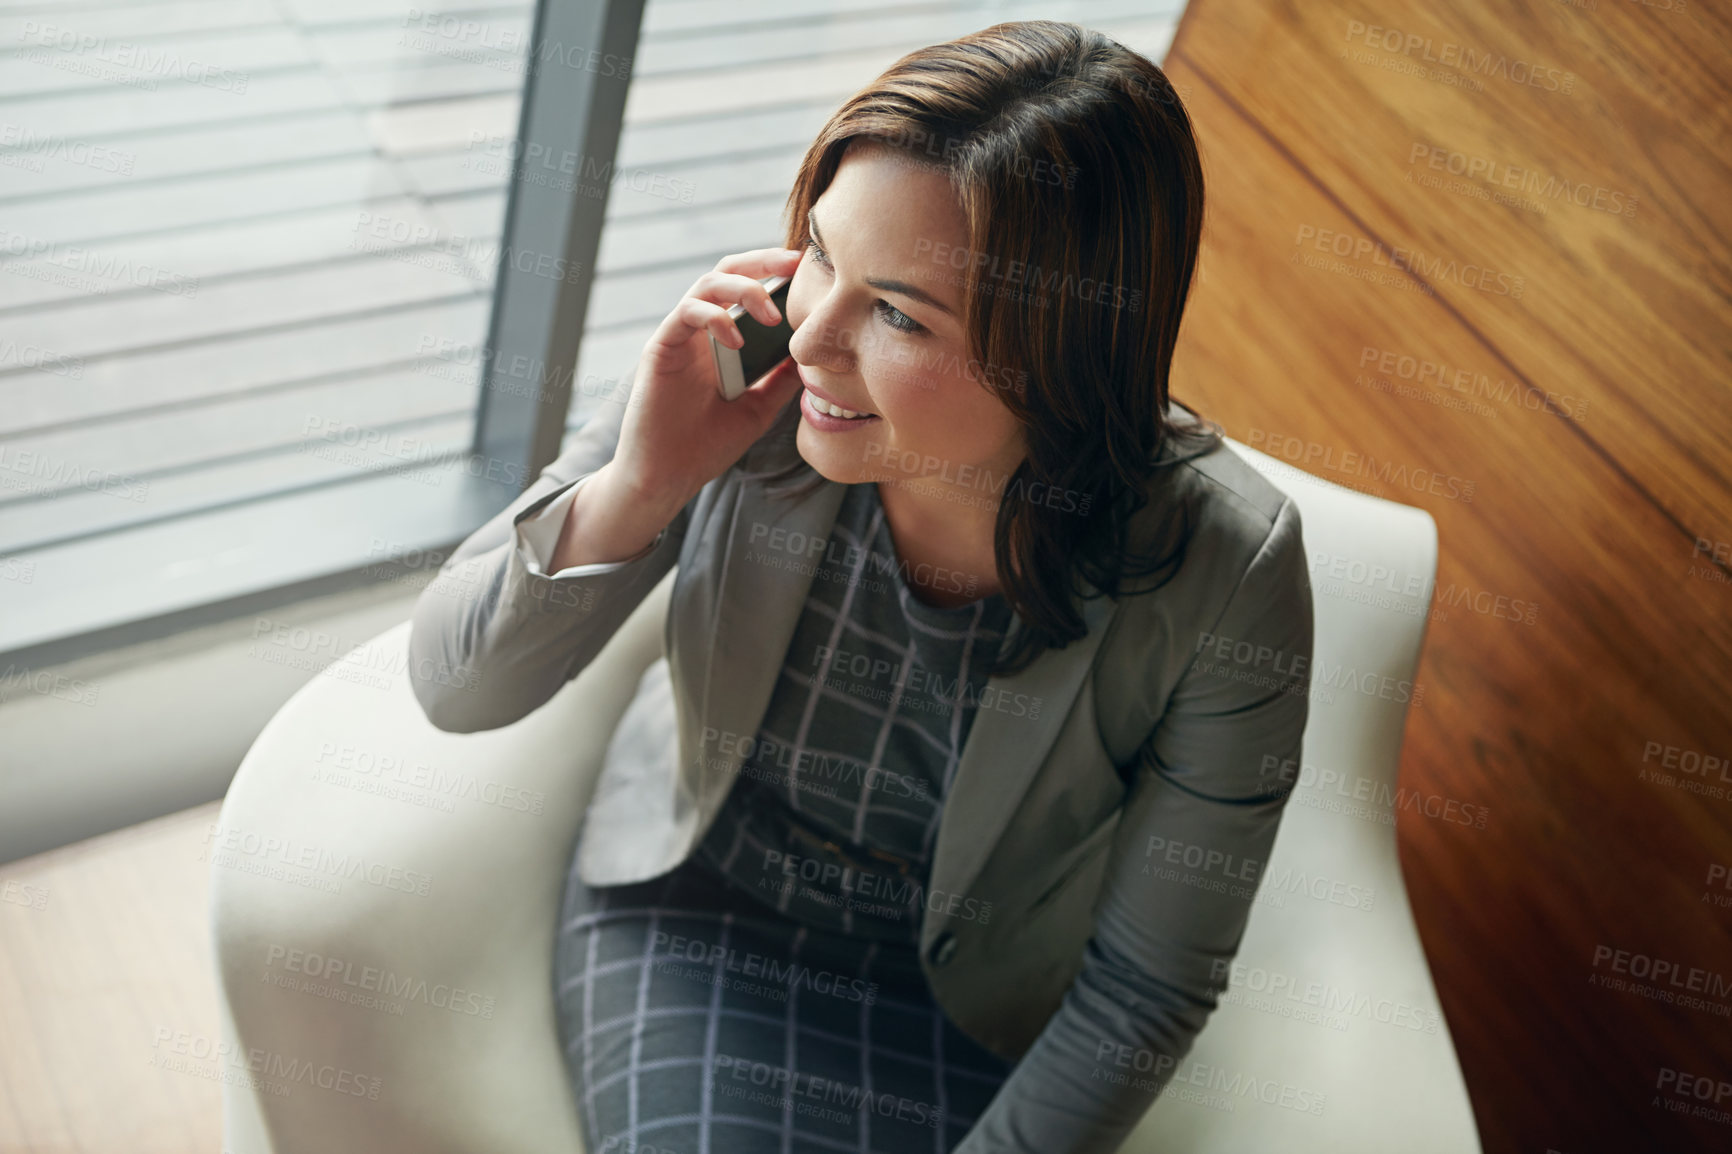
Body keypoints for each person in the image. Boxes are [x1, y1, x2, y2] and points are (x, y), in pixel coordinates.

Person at [407, 19, 1314, 1154]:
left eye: (899, 312)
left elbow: (1145, 987)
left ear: (1063, 348)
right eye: (822, 254)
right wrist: (641, 482)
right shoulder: (741, 368)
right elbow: (455, 684)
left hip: (967, 1002)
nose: (814, 335)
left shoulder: (1227, 570)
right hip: (702, 911)